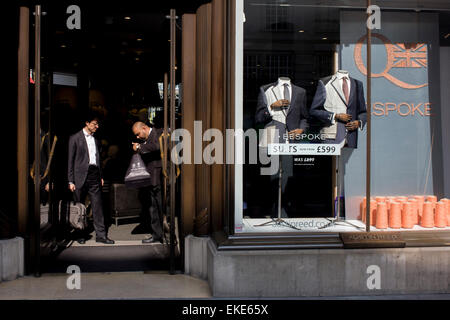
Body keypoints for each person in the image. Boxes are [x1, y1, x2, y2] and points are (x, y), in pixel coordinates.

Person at [67, 115, 114, 244]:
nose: (97, 127)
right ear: (87, 123)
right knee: (79, 206)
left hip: (94, 174)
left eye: (98, 124)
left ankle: (101, 235)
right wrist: (70, 181)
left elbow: (98, 158)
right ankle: (80, 234)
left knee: (97, 206)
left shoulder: (96, 139)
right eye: (94, 124)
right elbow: (70, 161)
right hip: (79, 176)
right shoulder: (74, 138)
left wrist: (101, 176)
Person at [131, 121, 164, 244]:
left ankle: (166, 235)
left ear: (144, 128)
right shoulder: (146, 139)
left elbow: (157, 146)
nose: (138, 137)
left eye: (138, 134)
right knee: (153, 207)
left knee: (161, 207)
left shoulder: (158, 133)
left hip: (159, 176)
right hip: (150, 177)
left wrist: (140, 147)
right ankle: (157, 235)